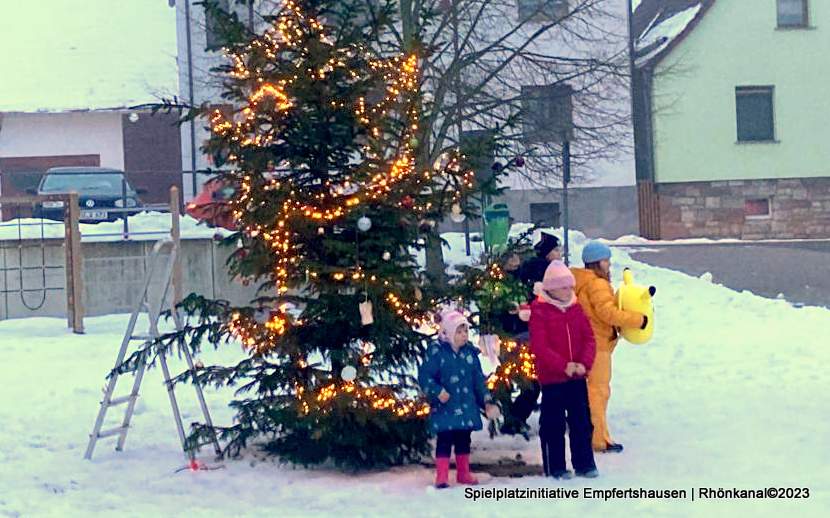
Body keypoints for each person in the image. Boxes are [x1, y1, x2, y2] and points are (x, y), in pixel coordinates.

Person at [571, 241, 647, 453]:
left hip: (585, 342)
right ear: (597, 263)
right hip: (597, 344)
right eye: (606, 260)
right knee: (598, 392)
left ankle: (591, 433)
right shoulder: (597, 284)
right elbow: (607, 312)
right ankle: (599, 439)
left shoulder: (579, 280)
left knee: (590, 391)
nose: (609, 264)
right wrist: (637, 320)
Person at [529, 260, 598, 479]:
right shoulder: (540, 311)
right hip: (553, 379)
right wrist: (563, 365)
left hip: (577, 376)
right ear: (551, 288)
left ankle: (584, 462)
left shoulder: (576, 308)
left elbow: (589, 339)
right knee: (553, 425)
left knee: (582, 422)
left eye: (570, 286)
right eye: (563, 287)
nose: (569, 290)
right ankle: (556, 465)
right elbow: (541, 347)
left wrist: (583, 364)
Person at [418, 310, 501, 488]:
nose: (464, 336)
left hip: (466, 405)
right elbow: (425, 376)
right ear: (447, 333)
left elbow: (478, 380)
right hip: (445, 406)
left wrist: (486, 400)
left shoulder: (470, 354)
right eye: (459, 331)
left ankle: (464, 473)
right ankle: (442, 475)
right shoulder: (437, 353)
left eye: (465, 331)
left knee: (464, 439)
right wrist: (437, 391)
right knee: (445, 440)